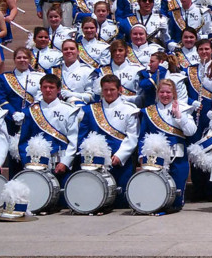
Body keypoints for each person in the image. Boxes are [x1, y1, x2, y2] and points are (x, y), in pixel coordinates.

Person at [18, 74, 79, 209]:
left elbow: (73, 141)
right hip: (37, 162)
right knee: (38, 200)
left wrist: (65, 162)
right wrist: (27, 162)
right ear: (40, 88)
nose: (48, 90)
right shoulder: (31, 111)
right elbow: (23, 140)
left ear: (58, 90)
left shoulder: (69, 110)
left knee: (62, 203)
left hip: (60, 161)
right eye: (45, 87)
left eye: (51, 87)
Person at [78, 75, 139, 207]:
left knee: (121, 200)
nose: (109, 93)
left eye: (112, 89)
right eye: (105, 90)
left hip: (120, 161)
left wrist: (119, 155)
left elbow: (132, 137)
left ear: (119, 89)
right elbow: (82, 136)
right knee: (97, 199)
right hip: (96, 161)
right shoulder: (91, 110)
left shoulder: (129, 109)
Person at [137, 78, 196, 212]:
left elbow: (191, 132)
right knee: (157, 194)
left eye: (168, 92)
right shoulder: (148, 111)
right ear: (157, 93)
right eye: (162, 92)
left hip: (178, 158)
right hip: (155, 159)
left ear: (174, 94)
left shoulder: (184, 109)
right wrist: (141, 155)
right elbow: (142, 136)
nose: (165, 95)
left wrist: (179, 117)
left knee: (175, 200)